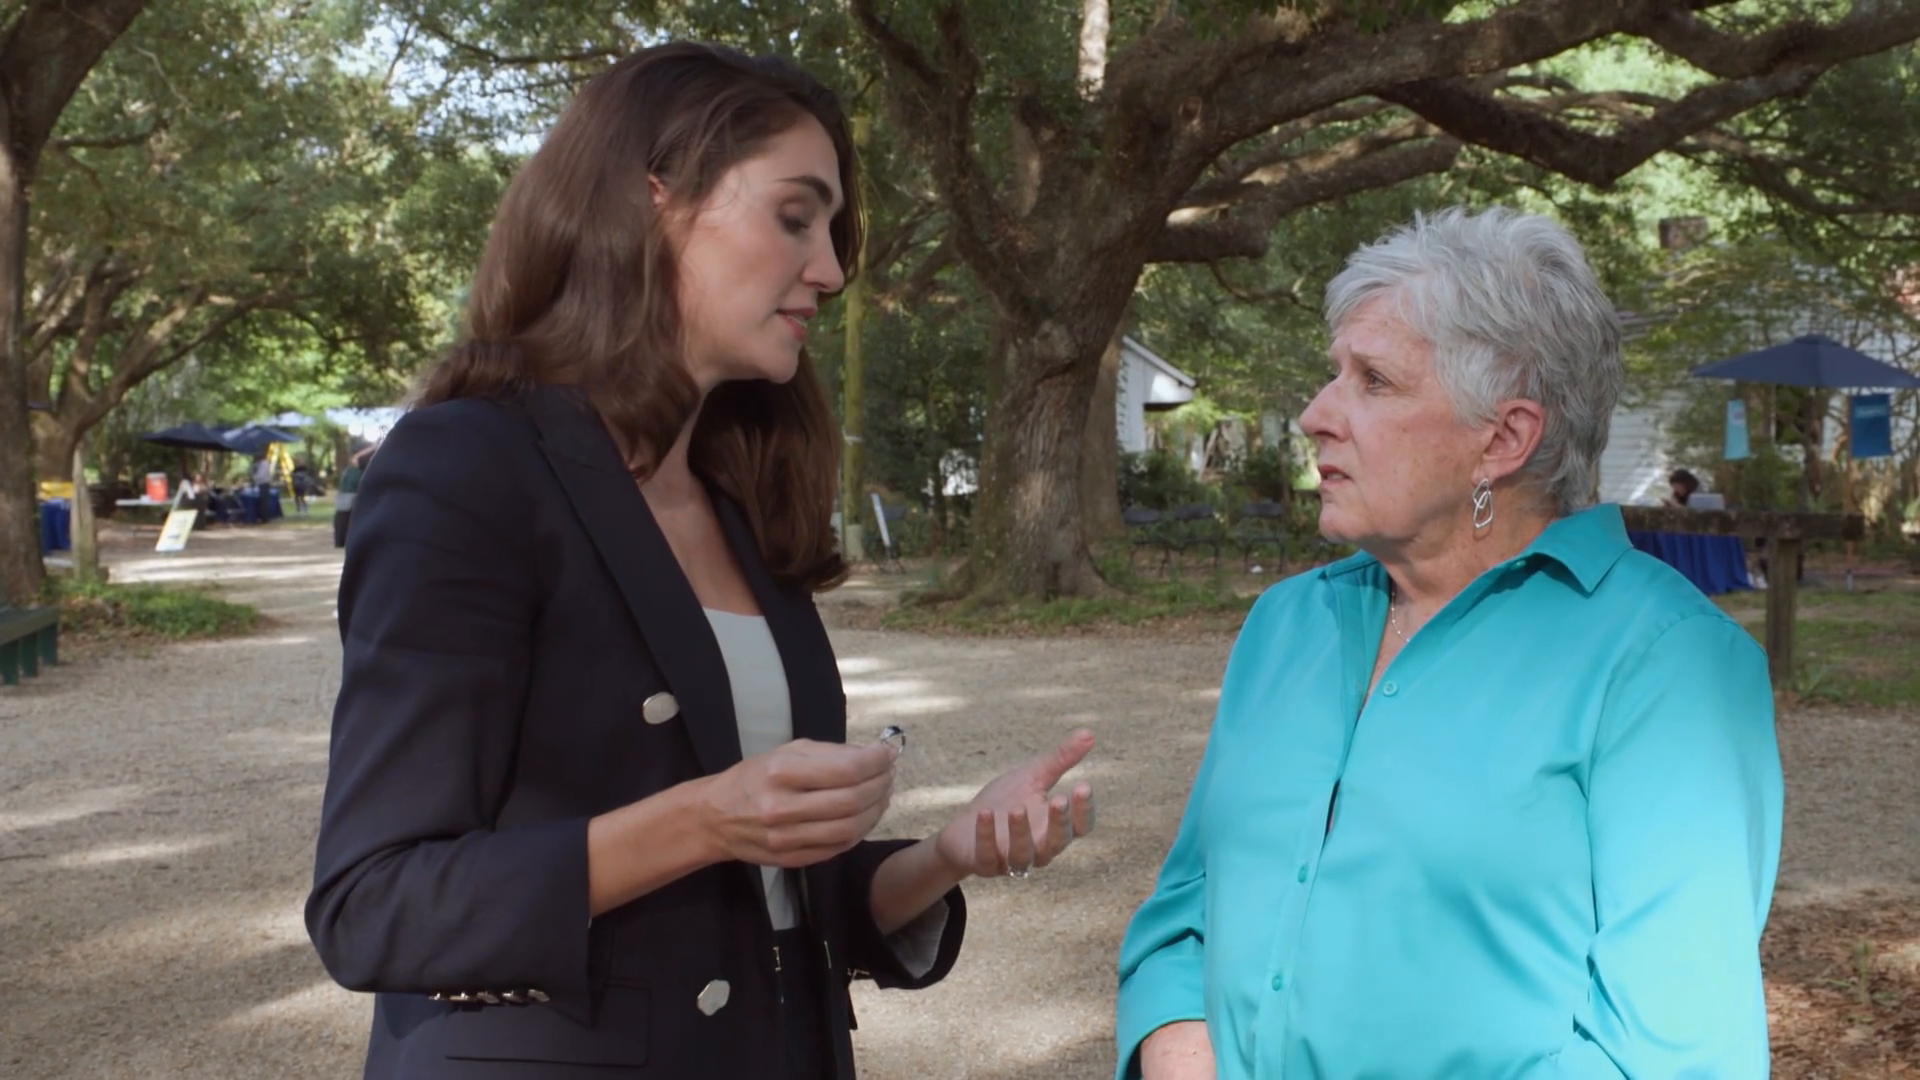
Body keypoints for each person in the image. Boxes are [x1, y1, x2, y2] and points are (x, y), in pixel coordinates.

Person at [306, 43, 1096, 1080]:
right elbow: (372, 905)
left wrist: (946, 855)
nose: (831, 271)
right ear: (655, 202)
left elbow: (769, 910)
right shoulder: (470, 468)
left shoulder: (737, 499)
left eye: (832, 232)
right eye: (795, 217)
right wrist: (706, 819)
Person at [1116, 208, 1781, 1079]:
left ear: (1502, 439)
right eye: (1334, 374)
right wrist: (1179, 1052)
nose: (1316, 414)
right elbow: (1187, 910)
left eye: (1374, 381)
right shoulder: (1287, 624)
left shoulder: (1668, 665)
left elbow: (1667, 1058)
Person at [332, 444, 372, 549]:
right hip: (351, 496)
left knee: (343, 517)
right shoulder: (355, 469)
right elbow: (356, 459)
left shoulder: (350, 470)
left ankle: (341, 540)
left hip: (345, 496)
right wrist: (374, 447)